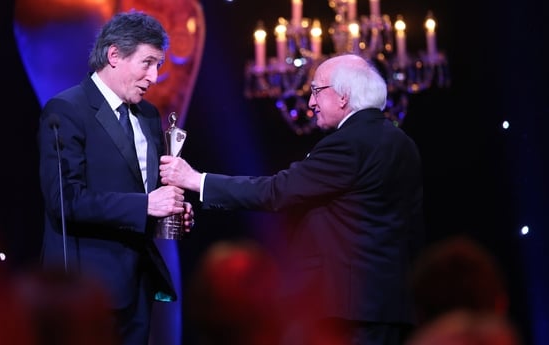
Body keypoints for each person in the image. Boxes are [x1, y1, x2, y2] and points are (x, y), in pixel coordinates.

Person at [160, 53, 424, 345]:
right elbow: (413, 229)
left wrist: (197, 181)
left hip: (348, 311)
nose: (310, 103)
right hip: (390, 306)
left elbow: (277, 191)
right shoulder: (404, 144)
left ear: (344, 96)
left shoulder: (348, 143)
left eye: (316, 90)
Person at [37, 10, 194, 345]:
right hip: (86, 288)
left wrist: (171, 211)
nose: (154, 76)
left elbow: (145, 192)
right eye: (147, 63)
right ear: (114, 55)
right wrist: (146, 205)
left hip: (137, 285)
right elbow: (64, 200)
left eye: (159, 65)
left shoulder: (149, 115)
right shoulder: (66, 110)